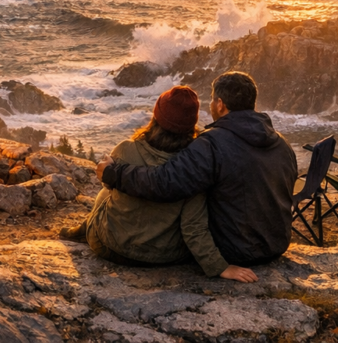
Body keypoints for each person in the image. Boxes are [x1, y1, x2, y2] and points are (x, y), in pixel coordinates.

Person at [97, 71, 297, 268]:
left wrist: (114, 174)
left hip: (235, 250)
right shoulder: (282, 144)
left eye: (212, 100)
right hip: (276, 244)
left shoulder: (212, 144)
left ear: (220, 104)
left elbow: (165, 182)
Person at [64, 85, 258, 282]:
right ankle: (80, 229)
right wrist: (219, 267)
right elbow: (193, 226)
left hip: (112, 248)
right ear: (192, 123)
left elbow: (108, 186)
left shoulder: (125, 150)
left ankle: (81, 230)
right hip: (167, 256)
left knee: (105, 193)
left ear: (156, 117)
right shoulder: (194, 166)